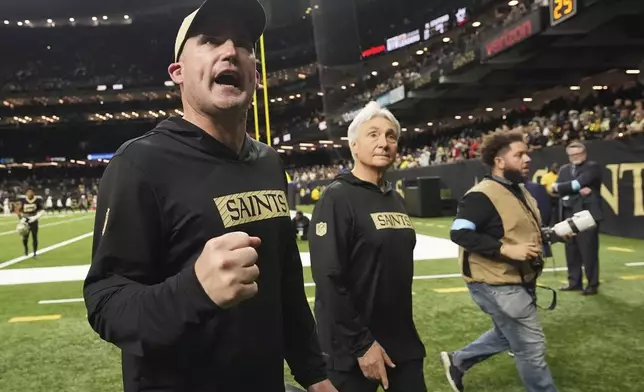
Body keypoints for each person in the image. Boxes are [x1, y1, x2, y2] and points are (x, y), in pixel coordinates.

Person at [83, 1, 336, 391]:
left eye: (244, 44)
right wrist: (194, 290)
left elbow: (285, 282)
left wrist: (313, 372)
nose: (231, 50)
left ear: (255, 72)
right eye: (210, 40)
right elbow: (105, 303)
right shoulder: (139, 164)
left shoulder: (268, 162)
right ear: (178, 73)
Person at [309, 101, 426, 392]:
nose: (384, 143)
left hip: (400, 339)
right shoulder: (337, 197)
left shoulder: (395, 199)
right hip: (351, 345)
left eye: (391, 136)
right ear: (354, 146)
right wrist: (362, 345)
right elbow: (328, 279)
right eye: (373, 134)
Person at [440, 131, 557, 392]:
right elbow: (459, 233)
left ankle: (458, 361)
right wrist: (506, 250)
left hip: (518, 279)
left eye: (527, 153)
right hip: (496, 282)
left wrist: (553, 235)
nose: (527, 159)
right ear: (499, 161)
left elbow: (520, 232)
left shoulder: (520, 191)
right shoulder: (481, 195)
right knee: (530, 346)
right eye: (519, 154)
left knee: (506, 334)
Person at [551, 141, 603, 295]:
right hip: (568, 212)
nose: (575, 157)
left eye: (578, 154)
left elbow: (575, 184)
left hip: (587, 214)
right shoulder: (564, 169)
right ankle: (575, 282)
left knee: (588, 250)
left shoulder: (592, 166)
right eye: (572, 155)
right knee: (571, 249)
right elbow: (557, 189)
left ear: (584, 153)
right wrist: (571, 187)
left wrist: (568, 187)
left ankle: (592, 284)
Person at [17, 187, 44, 258]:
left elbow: (42, 210)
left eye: (31, 192)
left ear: (33, 193)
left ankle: (35, 253)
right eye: (28, 192)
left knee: (34, 237)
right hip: (25, 220)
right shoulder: (23, 200)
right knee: (25, 237)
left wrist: (35, 217)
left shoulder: (37, 200)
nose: (29, 193)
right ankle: (26, 249)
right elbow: (18, 211)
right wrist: (21, 219)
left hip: (33, 220)